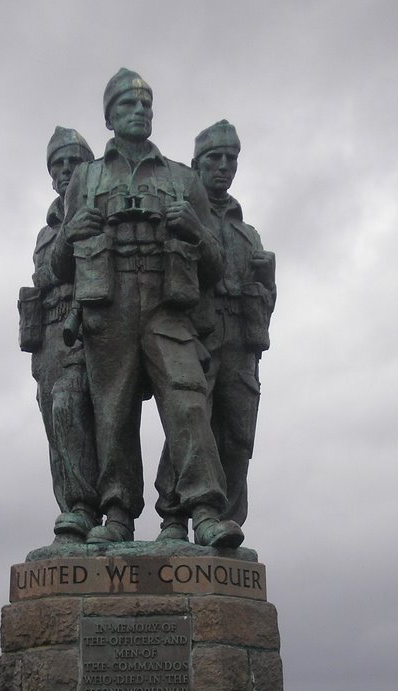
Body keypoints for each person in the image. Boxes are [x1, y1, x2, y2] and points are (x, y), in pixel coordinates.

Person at [51, 70, 243, 548]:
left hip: (167, 309)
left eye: (145, 105)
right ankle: (116, 513)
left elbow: (215, 269)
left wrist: (195, 232)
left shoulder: (182, 178)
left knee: (188, 400)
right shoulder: (87, 177)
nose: (139, 112)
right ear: (110, 116)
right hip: (108, 308)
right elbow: (59, 266)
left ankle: (203, 511)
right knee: (111, 414)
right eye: (127, 105)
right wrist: (73, 233)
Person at [156, 120, 276, 536]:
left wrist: (269, 280)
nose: (224, 166)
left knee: (239, 439)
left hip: (241, 344)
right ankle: (173, 515)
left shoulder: (248, 235)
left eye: (231, 159)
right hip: (196, 337)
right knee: (189, 423)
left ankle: (227, 522)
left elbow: (268, 302)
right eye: (214, 158)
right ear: (196, 165)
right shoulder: (182, 216)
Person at [18, 127, 100, 541]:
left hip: (91, 328)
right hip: (50, 334)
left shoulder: (98, 211)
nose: (66, 170)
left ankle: (88, 507)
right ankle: (72, 511)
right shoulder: (47, 231)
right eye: (58, 164)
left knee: (74, 409)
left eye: (73, 162)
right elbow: (47, 272)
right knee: (56, 423)